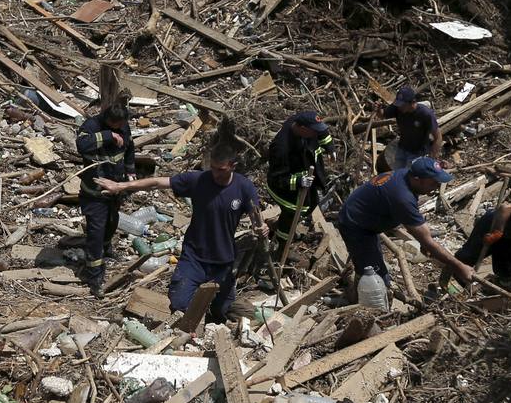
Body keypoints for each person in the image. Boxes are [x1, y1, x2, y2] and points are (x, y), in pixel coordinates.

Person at [97, 119, 266, 324]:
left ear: (233, 166)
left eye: (220, 169)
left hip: (223, 261)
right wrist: (121, 186)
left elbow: (257, 218)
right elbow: (159, 182)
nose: (215, 173)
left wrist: (262, 228)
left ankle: (218, 313)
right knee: (178, 304)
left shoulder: (244, 187)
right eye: (212, 168)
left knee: (226, 311)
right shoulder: (198, 180)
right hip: (194, 257)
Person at [337, 157, 473, 290]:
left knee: (372, 266)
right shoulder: (402, 197)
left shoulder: (406, 175)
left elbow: (417, 226)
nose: (438, 186)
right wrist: (460, 267)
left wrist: (423, 241)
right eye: (434, 182)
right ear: (417, 179)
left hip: (364, 217)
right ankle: (360, 302)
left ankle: (358, 287)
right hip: (356, 226)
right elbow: (428, 241)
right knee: (376, 280)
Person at [76, 68, 136, 298]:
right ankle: (94, 276)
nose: (119, 131)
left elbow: (130, 148)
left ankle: (107, 248)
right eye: (115, 127)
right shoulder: (92, 126)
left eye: (120, 128)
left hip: (116, 189)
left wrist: (130, 173)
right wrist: (108, 137)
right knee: (95, 232)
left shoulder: (123, 125)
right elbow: (82, 146)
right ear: (108, 121)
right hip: (95, 193)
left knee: (113, 223)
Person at [266, 111, 334, 248]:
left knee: (312, 202)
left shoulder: (302, 122)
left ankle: (277, 227)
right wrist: (298, 182)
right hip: (286, 191)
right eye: (314, 131)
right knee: (291, 215)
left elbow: (321, 132)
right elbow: (277, 179)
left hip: (307, 176)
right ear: (302, 129)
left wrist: (329, 147)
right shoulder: (281, 148)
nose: (316, 134)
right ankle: (282, 244)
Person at [380, 85, 441, 170]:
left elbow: (438, 137)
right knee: (398, 174)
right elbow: (382, 115)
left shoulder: (425, 114)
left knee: (411, 176)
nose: (399, 107)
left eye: (402, 105)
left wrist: (433, 155)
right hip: (402, 148)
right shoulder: (397, 108)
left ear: (411, 102)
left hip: (418, 153)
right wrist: (378, 109)